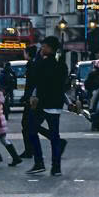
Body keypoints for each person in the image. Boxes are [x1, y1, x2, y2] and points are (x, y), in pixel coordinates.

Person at [24, 36, 68, 176]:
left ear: (49, 48)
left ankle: (39, 162)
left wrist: (38, 58)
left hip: (43, 103)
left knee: (31, 128)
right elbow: (64, 85)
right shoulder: (61, 64)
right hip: (56, 104)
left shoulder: (43, 63)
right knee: (55, 136)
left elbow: (35, 78)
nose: (41, 49)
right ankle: (56, 167)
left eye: (43, 47)